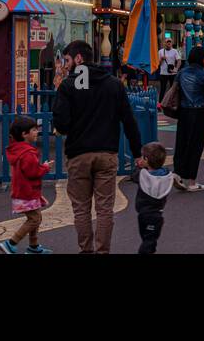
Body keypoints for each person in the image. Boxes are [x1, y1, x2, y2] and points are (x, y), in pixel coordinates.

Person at [53, 39, 144, 253]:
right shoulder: (113, 84)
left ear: (78, 59)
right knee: (104, 209)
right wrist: (137, 152)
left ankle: (86, 249)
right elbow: (129, 121)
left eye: (67, 60)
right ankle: (103, 250)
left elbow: (61, 123)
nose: (65, 65)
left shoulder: (68, 85)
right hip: (106, 153)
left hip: (78, 154)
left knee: (82, 208)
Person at [0, 115, 53, 254]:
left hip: (25, 191)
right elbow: (33, 172)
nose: (37, 132)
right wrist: (45, 167)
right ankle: (11, 243)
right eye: (34, 130)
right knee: (34, 219)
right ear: (24, 134)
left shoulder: (18, 150)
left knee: (36, 218)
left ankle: (33, 247)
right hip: (27, 192)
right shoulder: (27, 153)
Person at [173, 45, 204, 192]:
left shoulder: (182, 73)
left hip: (183, 112)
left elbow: (175, 91)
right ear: (201, 59)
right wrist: (203, 103)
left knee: (181, 143)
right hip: (198, 113)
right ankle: (192, 182)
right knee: (196, 146)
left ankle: (177, 173)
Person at [134, 142, 175, 254]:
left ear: (146, 159)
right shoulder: (166, 176)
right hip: (157, 215)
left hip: (143, 214)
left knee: (147, 241)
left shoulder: (142, 175)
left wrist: (138, 165)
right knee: (151, 239)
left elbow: (134, 176)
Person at [157, 38, 180, 104]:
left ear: (172, 43)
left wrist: (176, 69)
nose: (169, 43)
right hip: (163, 73)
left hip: (172, 73)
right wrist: (161, 59)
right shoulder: (161, 51)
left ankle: (172, 102)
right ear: (165, 43)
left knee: (173, 89)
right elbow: (159, 64)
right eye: (167, 42)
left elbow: (179, 60)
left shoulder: (175, 51)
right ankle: (160, 103)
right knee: (163, 89)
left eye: (170, 42)